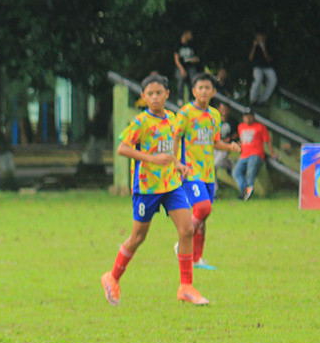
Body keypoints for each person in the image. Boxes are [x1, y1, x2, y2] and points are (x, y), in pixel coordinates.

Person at [101, 73, 208, 307]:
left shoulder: (171, 119)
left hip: (171, 185)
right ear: (143, 97)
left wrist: (178, 165)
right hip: (147, 188)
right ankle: (112, 277)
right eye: (150, 94)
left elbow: (170, 150)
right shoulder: (140, 122)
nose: (155, 97)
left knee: (187, 230)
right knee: (138, 237)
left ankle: (186, 287)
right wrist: (152, 159)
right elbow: (122, 148)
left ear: (167, 94)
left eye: (159, 93)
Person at [174, 74, 241, 270]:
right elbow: (175, 138)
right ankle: (181, 242)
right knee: (203, 208)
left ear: (213, 92)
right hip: (190, 172)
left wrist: (230, 147)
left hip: (208, 173)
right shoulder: (185, 113)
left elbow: (215, 141)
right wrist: (176, 163)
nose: (203, 91)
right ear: (193, 91)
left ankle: (197, 258)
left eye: (207, 88)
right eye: (200, 88)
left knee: (202, 217)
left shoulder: (214, 115)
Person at [233, 109, 276, 200]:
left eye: (249, 116)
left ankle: (248, 191)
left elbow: (267, 141)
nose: (247, 118)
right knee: (236, 172)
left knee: (250, 172)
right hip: (244, 155)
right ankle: (245, 191)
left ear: (253, 117)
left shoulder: (260, 127)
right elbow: (242, 140)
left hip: (256, 154)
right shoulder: (241, 127)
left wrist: (272, 154)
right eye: (245, 116)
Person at [249, 31, 278, 105]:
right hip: (257, 67)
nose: (260, 38)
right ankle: (253, 99)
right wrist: (254, 47)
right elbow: (250, 58)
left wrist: (264, 49)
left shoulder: (269, 44)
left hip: (267, 67)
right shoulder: (253, 44)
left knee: (273, 80)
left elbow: (269, 59)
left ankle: (261, 100)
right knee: (258, 79)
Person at [173, 30, 201, 99]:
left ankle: (192, 97)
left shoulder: (192, 45)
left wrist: (194, 60)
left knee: (193, 80)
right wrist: (182, 69)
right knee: (180, 81)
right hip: (181, 66)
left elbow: (197, 58)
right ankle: (180, 98)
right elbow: (176, 59)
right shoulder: (178, 45)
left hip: (190, 66)